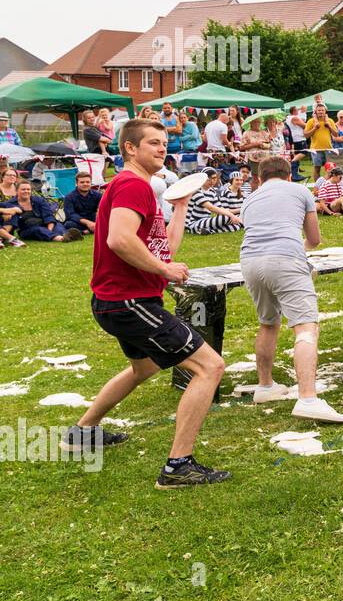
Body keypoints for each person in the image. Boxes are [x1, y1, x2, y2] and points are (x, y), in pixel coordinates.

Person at [63, 118, 229, 488]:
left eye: (163, 142)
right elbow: (119, 240)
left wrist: (181, 206)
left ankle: (83, 431)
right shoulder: (131, 185)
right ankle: (178, 466)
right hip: (129, 301)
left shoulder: (144, 189)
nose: (161, 148)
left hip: (120, 301)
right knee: (210, 367)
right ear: (130, 149)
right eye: (152, 142)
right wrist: (163, 271)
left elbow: (163, 249)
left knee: (145, 369)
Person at [238, 157, 343, 422]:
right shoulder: (300, 190)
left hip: (249, 260)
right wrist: (301, 248)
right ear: (289, 176)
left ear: (260, 178)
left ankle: (265, 386)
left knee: (267, 322)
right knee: (306, 327)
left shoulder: (250, 199)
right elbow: (314, 239)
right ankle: (308, 398)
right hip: (285, 257)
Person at [3, 179, 81, 242]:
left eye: (28, 189)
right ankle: (62, 239)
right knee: (39, 230)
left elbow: (49, 215)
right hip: (27, 229)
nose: (26, 191)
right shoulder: (9, 203)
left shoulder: (39, 200)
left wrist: (49, 229)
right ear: (16, 191)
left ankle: (67, 235)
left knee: (57, 226)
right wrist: (6, 212)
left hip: (45, 224)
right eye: (23, 189)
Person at [184, 168, 241, 235]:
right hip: (192, 223)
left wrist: (235, 217)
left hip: (206, 221)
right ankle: (201, 229)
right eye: (209, 179)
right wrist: (232, 216)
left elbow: (221, 208)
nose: (212, 181)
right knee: (226, 217)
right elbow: (210, 207)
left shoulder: (212, 191)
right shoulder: (196, 191)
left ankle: (209, 231)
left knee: (235, 227)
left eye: (214, 178)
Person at [304, 103, 339, 182]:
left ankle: (328, 185)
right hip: (316, 149)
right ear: (315, 111)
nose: (321, 112)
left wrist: (329, 126)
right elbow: (306, 135)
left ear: (325, 111)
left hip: (328, 148)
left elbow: (336, 134)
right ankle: (318, 186)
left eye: (322, 110)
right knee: (317, 168)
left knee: (330, 169)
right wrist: (314, 128)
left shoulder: (330, 121)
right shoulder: (311, 121)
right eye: (319, 110)